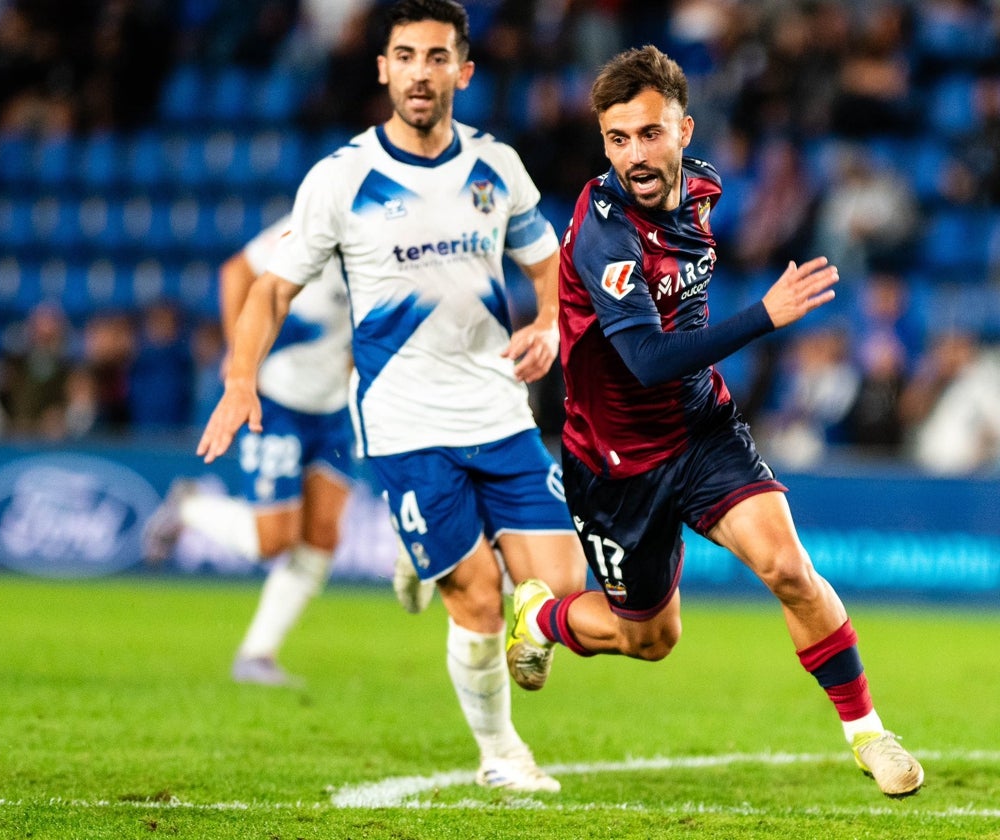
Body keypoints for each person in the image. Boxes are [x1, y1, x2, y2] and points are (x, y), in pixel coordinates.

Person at [504, 45, 925, 799]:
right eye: (618, 138)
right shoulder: (604, 233)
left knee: (790, 569)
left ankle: (869, 733)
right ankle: (543, 617)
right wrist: (765, 315)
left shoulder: (702, 190)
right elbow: (645, 361)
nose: (635, 154)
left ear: (684, 130)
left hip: (701, 431)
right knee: (648, 639)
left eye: (650, 133)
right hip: (615, 463)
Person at [197, 0, 585, 792]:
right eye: (405, 55)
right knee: (479, 602)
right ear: (383, 68)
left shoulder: (496, 166)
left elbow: (546, 261)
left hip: (499, 408)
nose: (420, 71)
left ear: (462, 72)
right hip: (405, 422)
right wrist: (240, 379)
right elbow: (270, 292)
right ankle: (502, 753)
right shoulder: (341, 179)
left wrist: (548, 323)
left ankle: (427, 561)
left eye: (437, 57)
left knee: (562, 591)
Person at [143, 214, 360, 687]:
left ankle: (257, 655)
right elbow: (235, 271)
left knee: (322, 534)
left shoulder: (396, 239)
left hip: (334, 407)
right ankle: (190, 506)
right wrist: (238, 354)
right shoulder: (315, 222)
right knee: (273, 540)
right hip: (278, 399)